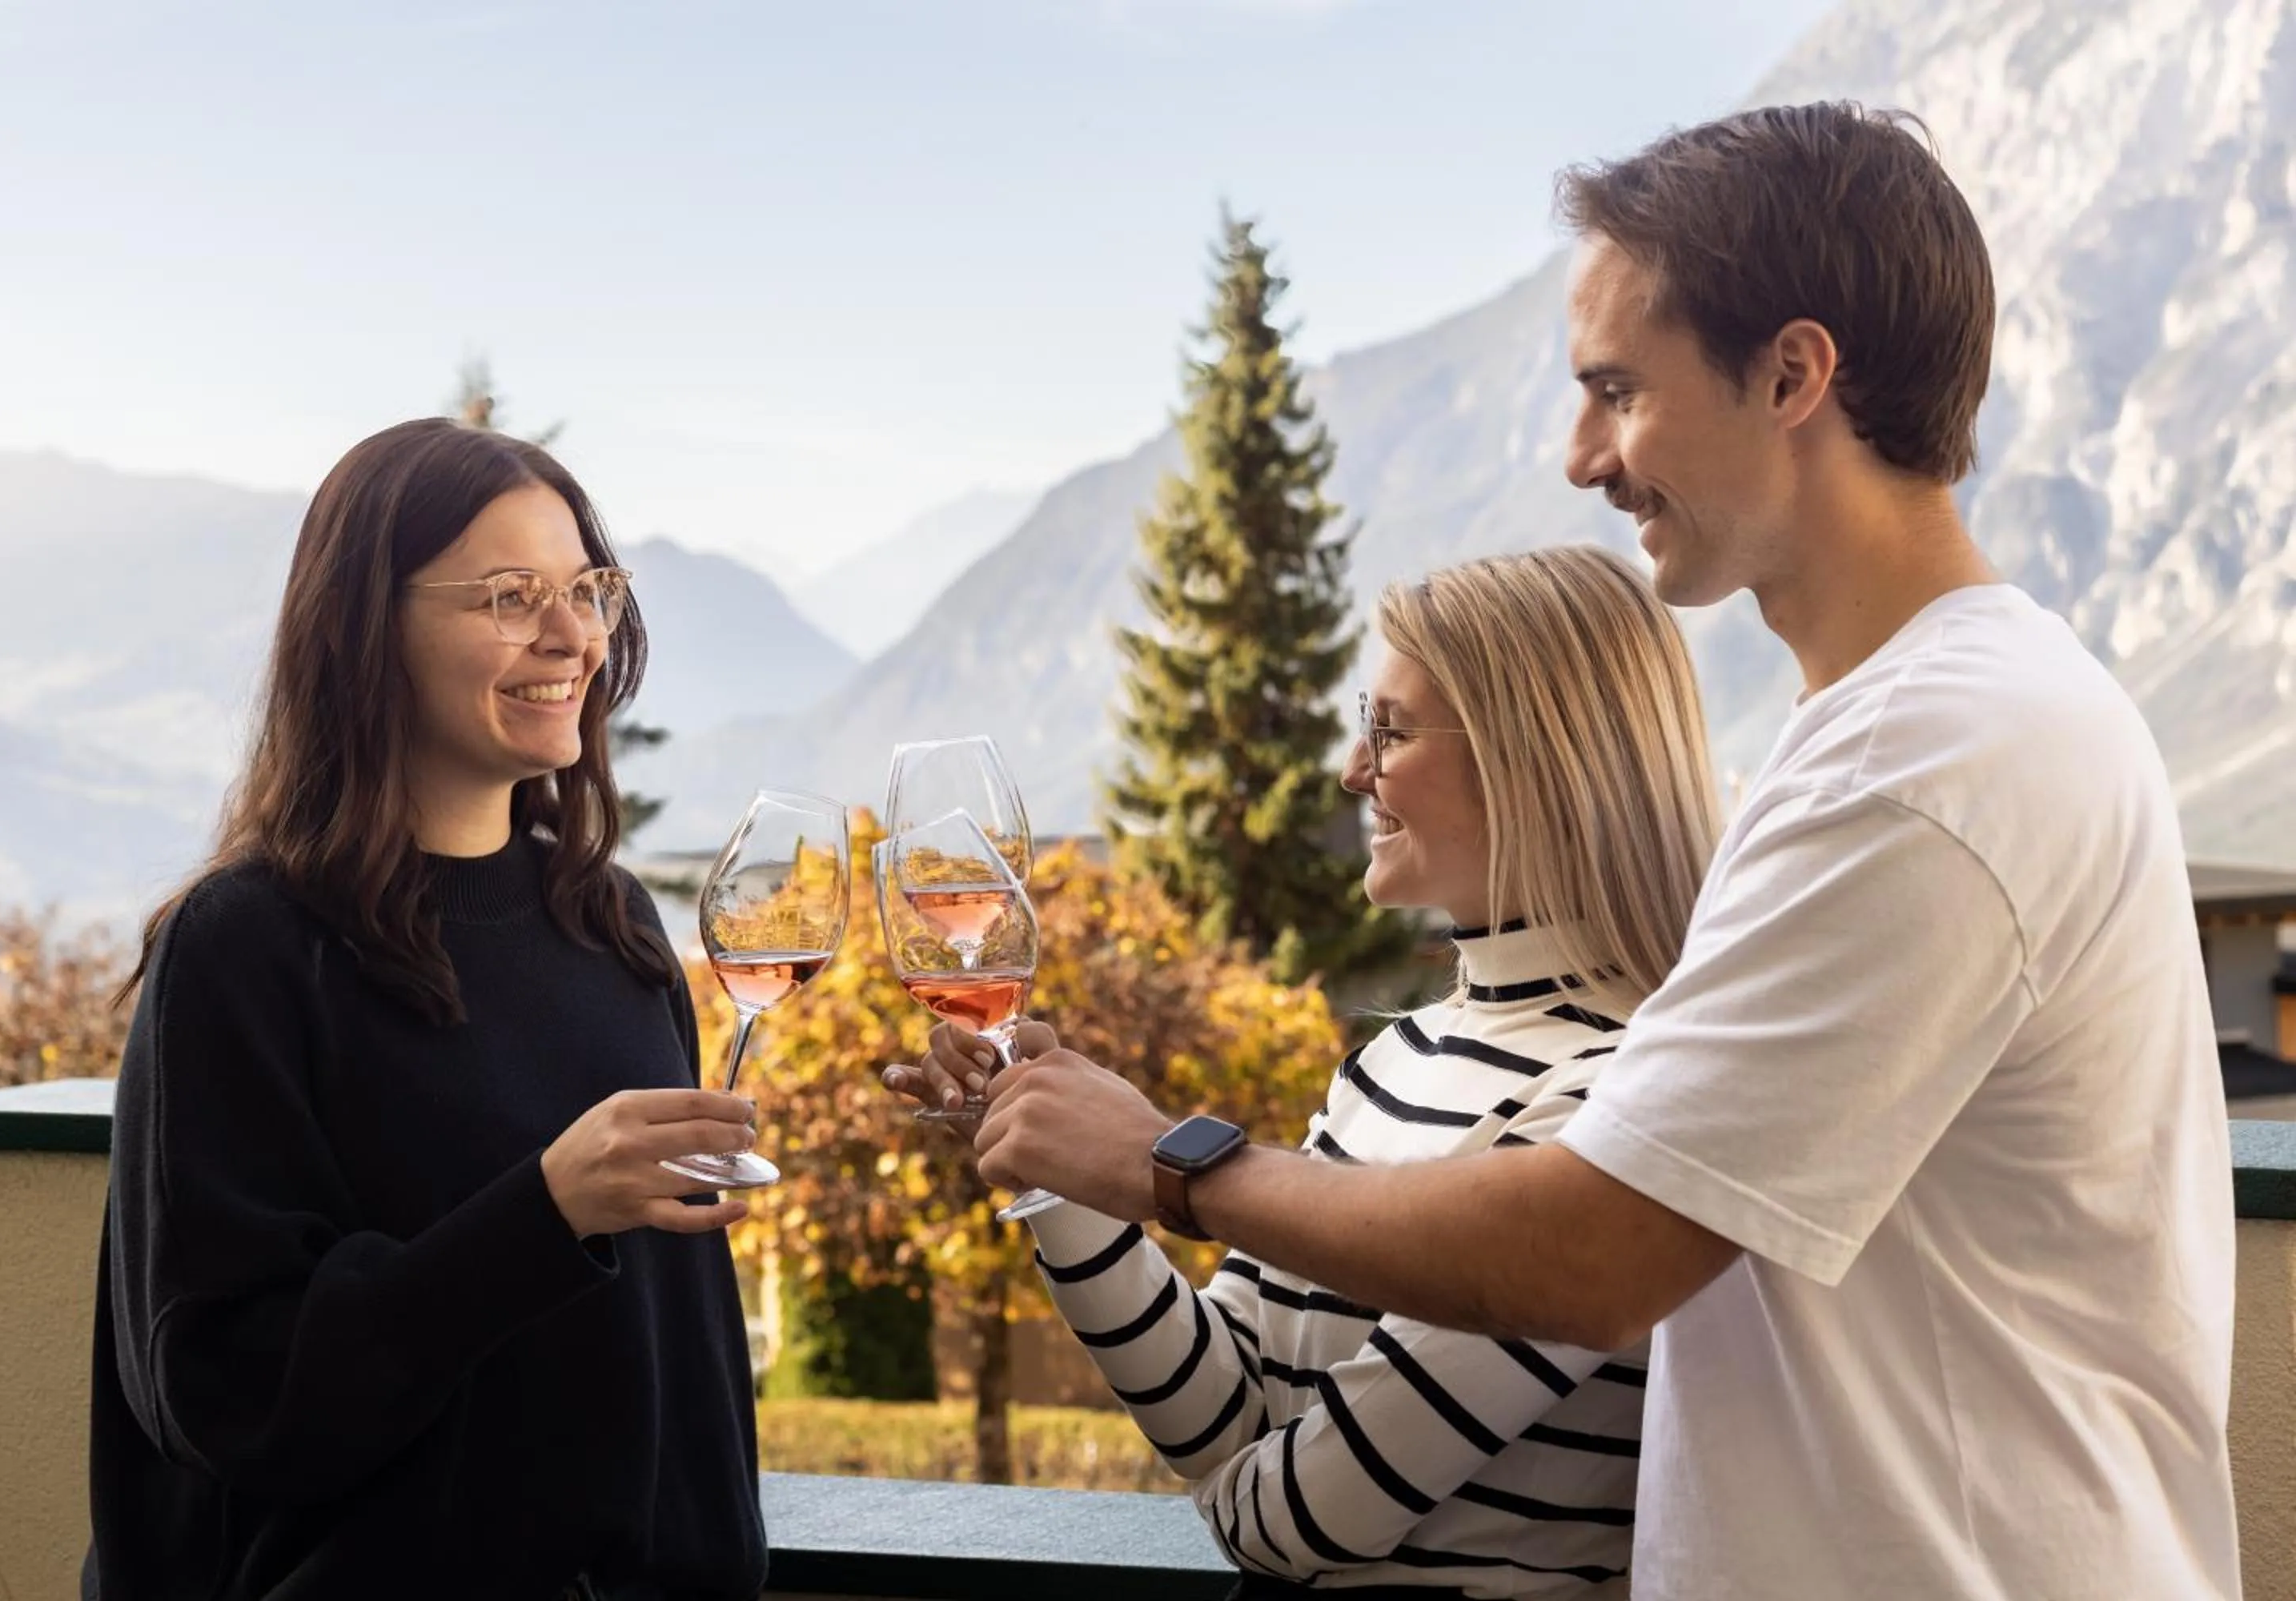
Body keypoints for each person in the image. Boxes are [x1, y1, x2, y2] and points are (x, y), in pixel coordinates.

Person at [941, 104, 2243, 1600]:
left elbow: (1599, 1252)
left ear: (1793, 375)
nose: (1580, 459)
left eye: (1617, 390)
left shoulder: (1924, 761)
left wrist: (1166, 1165)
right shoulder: (1914, 732)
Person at [896, 548, 1719, 1599]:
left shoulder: (1616, 1100)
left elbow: (1289, 1528)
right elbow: (1228, 1407)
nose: (1351, 771)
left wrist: (1154, 1157)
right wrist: (1062, 1177)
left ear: (1532, 759)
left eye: (1390, 729)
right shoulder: (1394, 1062)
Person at [84, 419, 768, 1601]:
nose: (572, 638)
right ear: (365, 632)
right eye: (511, 596)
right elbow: (223, 1392)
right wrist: (543, 1216)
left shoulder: (610, 926)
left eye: (587, 590)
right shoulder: (244, 952)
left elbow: (677, 1353)